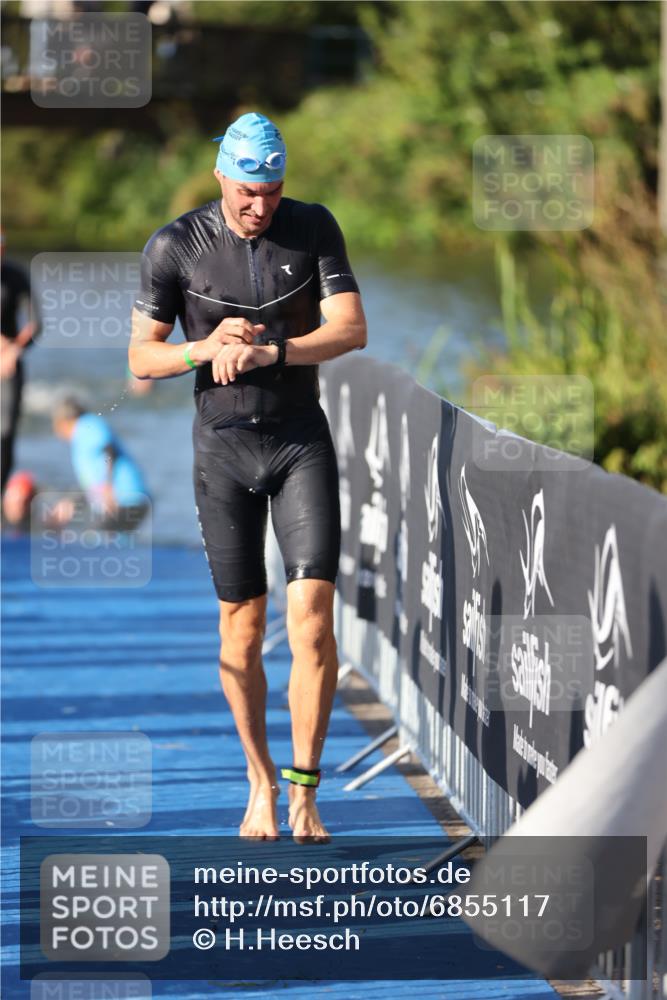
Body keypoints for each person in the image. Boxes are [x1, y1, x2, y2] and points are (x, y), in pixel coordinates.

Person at [129, 112, 367, 842]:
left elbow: (350, 329)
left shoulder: (313, 227)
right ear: (220, 178)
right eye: (245, 192)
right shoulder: (176, 245)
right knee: (243, 628)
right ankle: (259, 780)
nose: (259, 206)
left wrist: (274, 353)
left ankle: (303, 789)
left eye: (270, 192)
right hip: (223, 451)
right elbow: (141, 358)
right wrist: (203, 349)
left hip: (299, 442)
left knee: (313, 620)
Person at [52, 398, 150, 532]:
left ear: (62, 422)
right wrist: (71, 503)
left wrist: (108, 488)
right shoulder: (81, 436)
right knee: (107, 538)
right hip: (126, 501)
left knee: (96, 537)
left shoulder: (87, 425)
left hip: (127, 499)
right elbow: (91, 484)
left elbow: (109, 450)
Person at [1, 233, 41, 493]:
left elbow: (36, 324)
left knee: (6, 432)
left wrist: (14, 350)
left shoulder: (15, 276)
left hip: (9, 363)